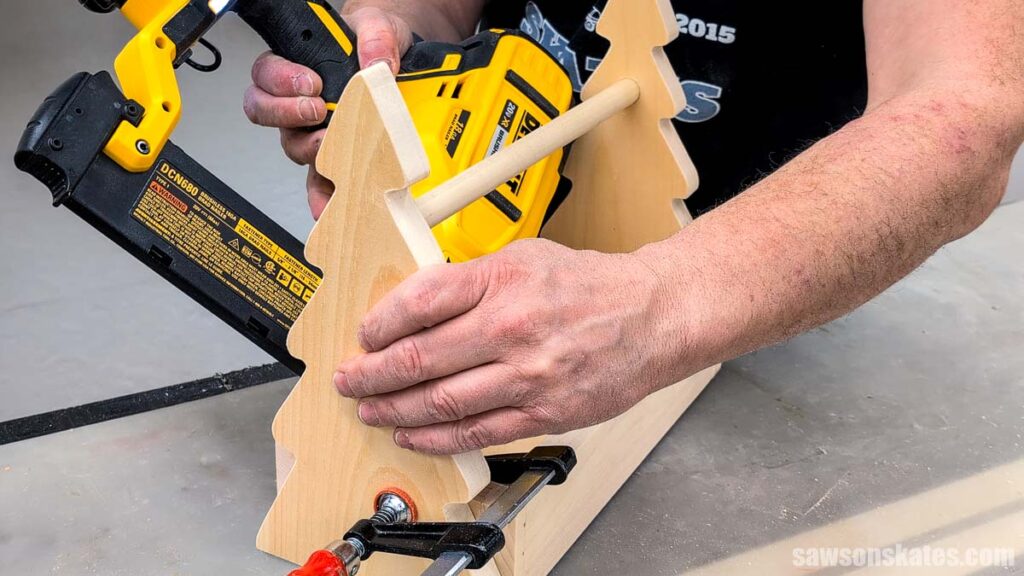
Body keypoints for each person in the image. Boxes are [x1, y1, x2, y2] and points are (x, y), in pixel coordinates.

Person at [243, 1, 1024, 455]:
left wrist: (660, 303)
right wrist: (391, 33)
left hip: (765, 302)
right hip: (493, 237)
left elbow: (963, 111)